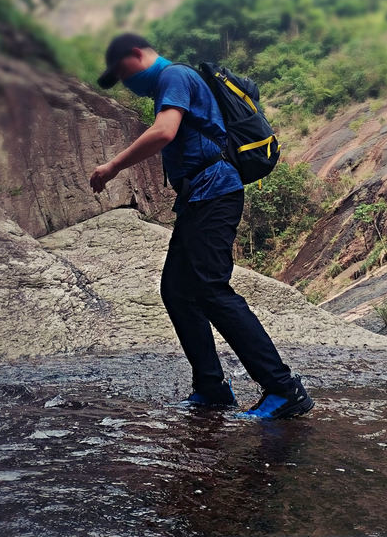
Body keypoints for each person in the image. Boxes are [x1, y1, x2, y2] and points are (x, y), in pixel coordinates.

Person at [89, 33, 313, 420]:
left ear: (137, 54)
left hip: (215, 192)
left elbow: (164, 132)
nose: (126, 83)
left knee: (209, 286)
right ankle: (211, 388)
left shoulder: (173, 76)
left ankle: (283, 388)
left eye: (124, 73)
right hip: (199, 196)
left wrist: (111, 168)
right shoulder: (170, 82)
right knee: (177, 290)